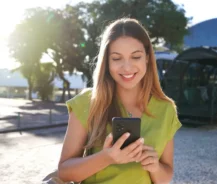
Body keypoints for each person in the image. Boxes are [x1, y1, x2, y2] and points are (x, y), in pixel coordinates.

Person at [57, 18, 182, 184]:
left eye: (136, 57)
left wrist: (155, 167)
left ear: (147, 57)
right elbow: (65, 172)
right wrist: (106, 157)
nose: (127, 67)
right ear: (107, 62)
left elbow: (166, 176)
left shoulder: (166, 109)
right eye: (116, 58)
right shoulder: (86, 103)